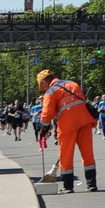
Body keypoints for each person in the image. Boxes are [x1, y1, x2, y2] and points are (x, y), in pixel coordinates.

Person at [36, 66, 99, 194]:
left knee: (65, 156)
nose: (44, 88)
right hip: (84, 121)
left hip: (67, 125)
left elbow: (47, 112)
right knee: (87, 154)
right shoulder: (72, 84)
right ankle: (91, 184)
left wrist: (44, 127)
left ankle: (68, 186)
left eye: (42, 85)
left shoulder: (51, 92)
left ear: (44, 81)